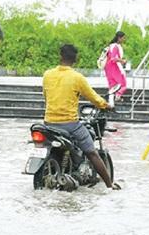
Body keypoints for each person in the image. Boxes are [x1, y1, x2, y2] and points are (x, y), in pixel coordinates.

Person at [42, 43, 119, 190]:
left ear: (60, 56)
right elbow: (94, 98)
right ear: (75, 59)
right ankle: (110, 185)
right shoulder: (77, 78)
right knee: (92, 152)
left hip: (48, 123)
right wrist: (106, 106)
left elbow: (46, 97)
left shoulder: (47, 75)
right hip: (69, 124)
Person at [104, 31, 128, 98]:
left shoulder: (111, 45)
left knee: (112, 86)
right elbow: (113, 58)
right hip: (114, 67)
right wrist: (122, 61)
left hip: (108, 67)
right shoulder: (115, 46)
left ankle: (112, 100)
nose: (124, 40)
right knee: (123, 84)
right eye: (123, 38)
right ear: (119, 38)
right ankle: (118, 96)